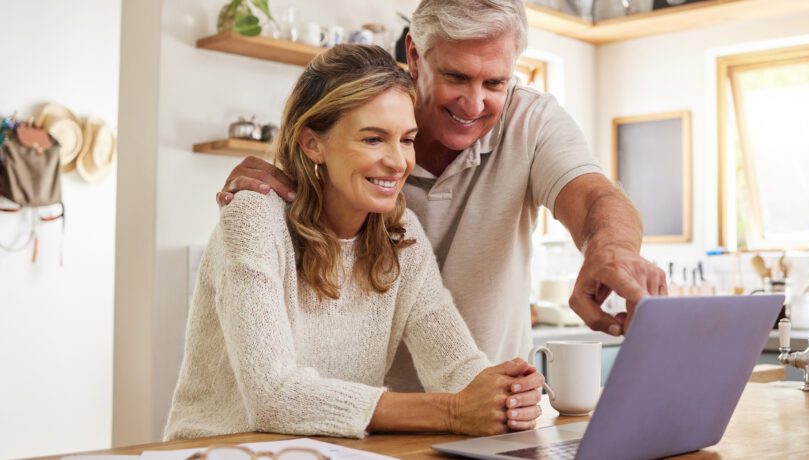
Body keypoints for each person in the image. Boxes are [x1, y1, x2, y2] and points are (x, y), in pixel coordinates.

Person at [216, 0, 667, 391]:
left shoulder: (531, 121)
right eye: (456, 76)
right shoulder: (364, 118)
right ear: (414, 54)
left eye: (495, 83)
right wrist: (286, 184)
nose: (474, 105)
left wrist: (610, 249)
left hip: (477, 405)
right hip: (357, 418)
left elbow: (591, 196)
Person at [164, 45, 544, 441]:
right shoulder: (254, 218)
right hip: (222, 450)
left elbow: (456, 367)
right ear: (313, 144)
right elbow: (274, 397)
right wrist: (452, 411)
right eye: (374, 139)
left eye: (407, 140)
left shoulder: (401, 236)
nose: (399, 162)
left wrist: (505, 393)